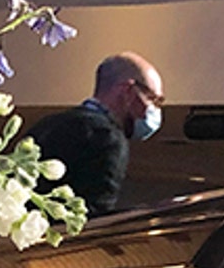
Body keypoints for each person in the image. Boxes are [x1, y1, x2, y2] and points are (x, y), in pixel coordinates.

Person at [29, 52, 164, 216]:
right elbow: (94, 222)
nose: (154, 110)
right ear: (128, 91)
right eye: (152, 99)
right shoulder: (108, 139)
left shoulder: (48, 123)